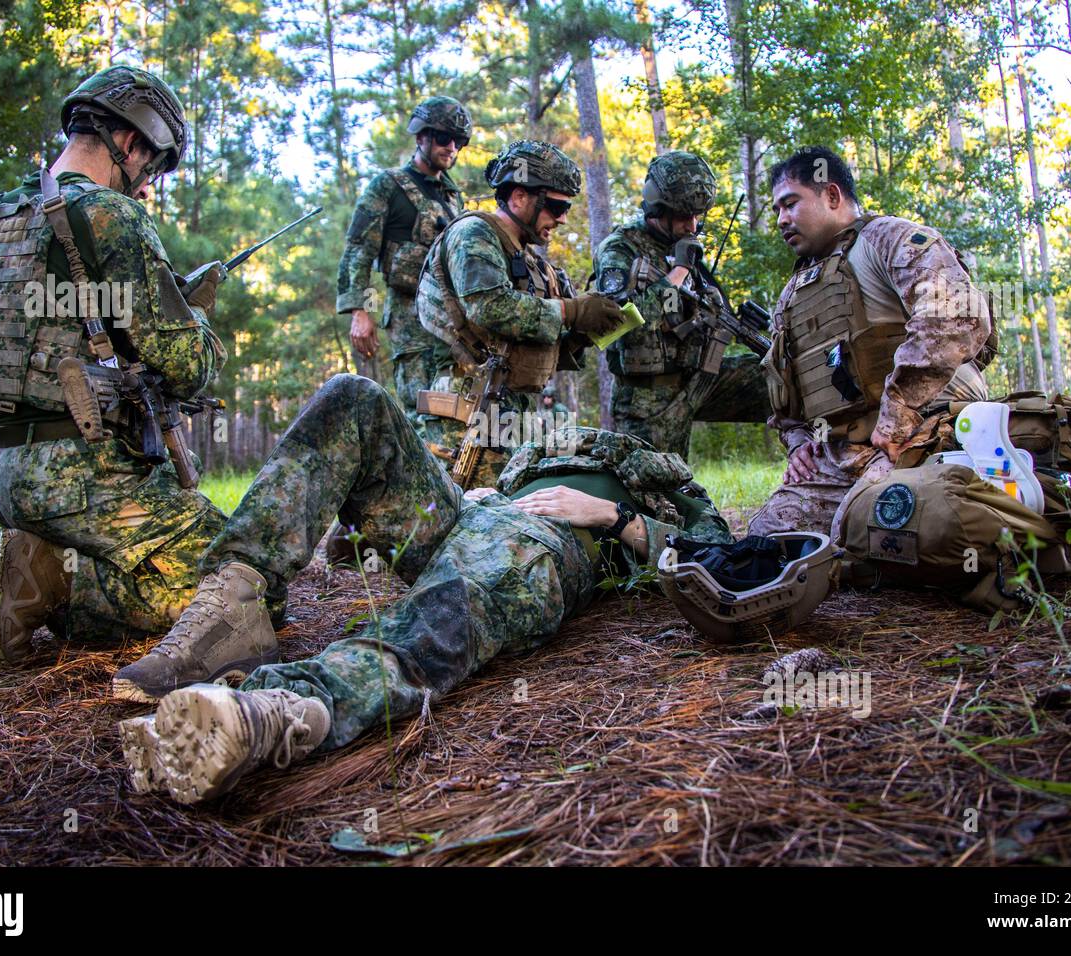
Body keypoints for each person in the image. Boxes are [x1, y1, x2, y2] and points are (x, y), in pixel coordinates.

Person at [117, 373, 734, 804]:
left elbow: (722, 556)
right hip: (472, 516)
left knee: (447, 608)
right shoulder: (540, 450)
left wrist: (612, 517)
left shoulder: (665, 485)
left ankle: (281, 711)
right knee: (355, 399)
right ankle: (236, 604)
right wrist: (487, 497)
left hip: (547, 545)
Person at [0, 66, 231, 670]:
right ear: (131, 143)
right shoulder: (110, 215)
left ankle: (42, 555)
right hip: (78, 473)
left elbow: (44, 338)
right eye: (152, 167)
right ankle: (56, 587)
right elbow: (189, 367)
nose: (147, 186)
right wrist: (197, 322)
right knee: (244, 581)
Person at [748, 146, 994, 538]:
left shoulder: (888, 239)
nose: (781, 219)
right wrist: (798, 445)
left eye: (790, 204)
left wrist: (899, 411)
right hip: (844, 455)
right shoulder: (793, 293)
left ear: (831, 195)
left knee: (868, 524)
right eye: (777, 209)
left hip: (924, 433)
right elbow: (785, 392)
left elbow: (958, 314)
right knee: (768, 539)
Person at [415, 140, 622, 488]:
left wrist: (589, 327)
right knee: (465, 519)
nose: (562, 218)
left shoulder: (535, 263)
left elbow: (546, 338)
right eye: (555, 206)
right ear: (519, 197)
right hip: (470, 411)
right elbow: (490, 307)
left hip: (515, 415)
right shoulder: (473, 234)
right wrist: (572, 311)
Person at [593, 150, 768, 460]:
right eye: (684, 215)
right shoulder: (621, 249)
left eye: (697, 215)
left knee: (781, 376)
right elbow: (614, 326)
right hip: (648, 398)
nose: (692, 224)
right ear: (658, 207)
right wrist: (679, 271)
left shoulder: (683, 246)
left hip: (700, 378)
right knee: (658, 498)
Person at [337, 97, 471, 422]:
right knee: (424, 413)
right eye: (442, 138)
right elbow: (359, 250)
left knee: (456, 415)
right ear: (421, 136)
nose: (450, 146)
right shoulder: (388, 186)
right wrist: (361, 311)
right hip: (410, 322)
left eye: (458, 141)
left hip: (452, 324)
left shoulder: (454, 198)